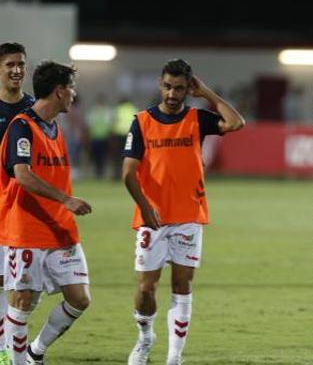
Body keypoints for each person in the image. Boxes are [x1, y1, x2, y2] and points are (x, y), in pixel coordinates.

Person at [122, 59, 245, 365]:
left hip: (189, 216)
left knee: (182, 285)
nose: (172, 94)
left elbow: (236, 123)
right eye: (167, 86)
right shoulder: (141, 122)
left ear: (188, 89)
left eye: (179, 88)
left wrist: (209, 95)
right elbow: (127, 173)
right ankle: (145, 336)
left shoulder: (198, 118)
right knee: (146, 287)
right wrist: (145, 207)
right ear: (159, 85)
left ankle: (174, 357)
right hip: (152, 218)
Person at [0, 61, 93, 365]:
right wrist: (65, 199)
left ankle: (35, 351)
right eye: (71, 88)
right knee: (22, 304)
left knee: (80, 299)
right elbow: (22, 175)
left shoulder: (54, 127)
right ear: (59, 91)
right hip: (27, 231)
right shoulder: (21, 126)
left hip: (60, 230)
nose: (74, 94)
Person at [0, 42, 35, 364]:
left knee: (18, 283)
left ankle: (11, 350)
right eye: (10, 64)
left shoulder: (34, 108)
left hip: (23, 209)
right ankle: (4, 349)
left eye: (21, 64)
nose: (16, 70)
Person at [86, 93, 113, 179]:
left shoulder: (94, 112)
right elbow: (109, 126)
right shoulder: (106, 112)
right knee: (99, 156)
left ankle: (100, 173)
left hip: (99, 138)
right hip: (99, 138)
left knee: (100, 157)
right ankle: (99, 173)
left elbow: (89, 126)